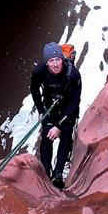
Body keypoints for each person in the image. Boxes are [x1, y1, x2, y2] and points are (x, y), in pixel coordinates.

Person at [30, 42, 82, 189]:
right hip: (49, 108)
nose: (55, 64)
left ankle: (58, 174)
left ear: (62, 59)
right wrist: (42, 112)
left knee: (65, 139)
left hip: (68, 110)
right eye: (51, 61)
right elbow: (34, 91)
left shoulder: (73, 74)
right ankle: (47, 172)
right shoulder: (39, 72)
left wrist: (59, 126)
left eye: (58, 59)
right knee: (46, 140)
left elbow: (75, 101)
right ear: (46, 63)